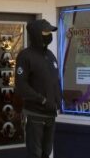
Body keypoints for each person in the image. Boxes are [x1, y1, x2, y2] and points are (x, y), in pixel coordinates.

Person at [15, 19, 62, 158]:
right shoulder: (25, 56)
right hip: (34, 115)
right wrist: (42, 100)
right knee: (35, 153)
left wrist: (59, 99)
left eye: (50, 32)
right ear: (36, 34)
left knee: (46, 152)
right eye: (45, 31)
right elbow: (21, 86)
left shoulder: (50, 56)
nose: (48, 35)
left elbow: (55, 81)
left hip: (51, 115)